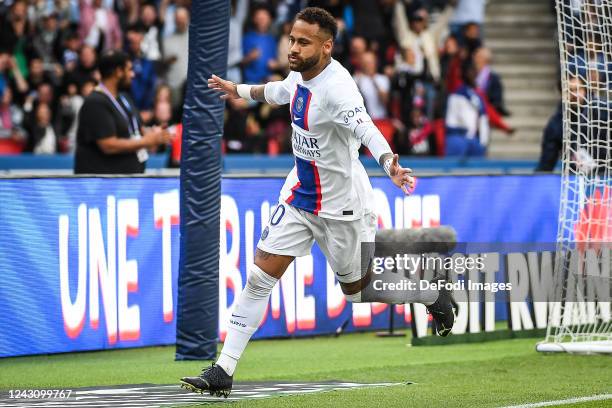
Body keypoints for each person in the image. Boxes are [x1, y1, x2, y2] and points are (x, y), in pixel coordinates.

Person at [181, 7, 457, 398]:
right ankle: (224, 369)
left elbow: (366, 127)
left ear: (326, 47)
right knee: (260, 276)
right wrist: (238, 90)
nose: (293, 47)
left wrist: (389, 163)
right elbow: (279, 91)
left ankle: (429, 293)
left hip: (342, 206)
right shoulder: (301, 73)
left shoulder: (339, 89)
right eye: (292, 39)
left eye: (303, 42)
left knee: (357, 293)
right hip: (299, 196)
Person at [74, 50, 171, 174]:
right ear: (118, 72)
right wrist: (147, 141)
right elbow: (108, 145)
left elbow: (133, 131)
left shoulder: (124, 98)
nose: (132, 75)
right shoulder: (95, 102)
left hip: (127, 182)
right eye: (129, 69)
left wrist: (153, 134)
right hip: (102, 185)